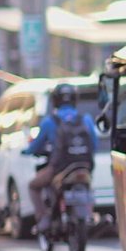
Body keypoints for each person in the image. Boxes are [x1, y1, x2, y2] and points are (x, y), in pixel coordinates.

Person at [26, 82, 96, 228]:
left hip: (59, 168)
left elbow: (35, 147)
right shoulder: (86, 119)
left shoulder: (49, 122)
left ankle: (43, 219)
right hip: (84, 166)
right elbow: (94, 145)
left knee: (33, 186)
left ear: (55, 101)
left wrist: (27, 151)